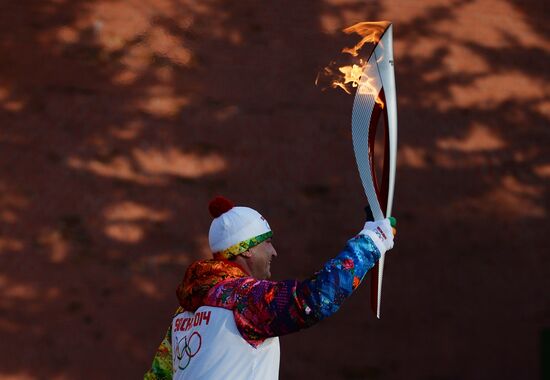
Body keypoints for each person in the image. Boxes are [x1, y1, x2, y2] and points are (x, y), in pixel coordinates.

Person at [144, 196, 396, 380]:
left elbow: (157, 377)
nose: (274, 251)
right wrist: (371, 242)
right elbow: (315, 299)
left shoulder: (183, 315)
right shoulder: (243, 298)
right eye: (267, 242)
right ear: (247, 249)